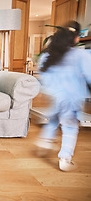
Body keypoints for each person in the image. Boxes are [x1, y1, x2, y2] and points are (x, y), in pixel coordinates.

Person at [35, 21, 91, 171]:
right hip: (72, 97)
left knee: (54, 118)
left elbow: (42, 72)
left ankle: (46, 140)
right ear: (76, 38)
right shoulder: (80, 55)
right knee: (70, 126)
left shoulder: (49, 54)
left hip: (56, 96)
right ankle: (65, 158)